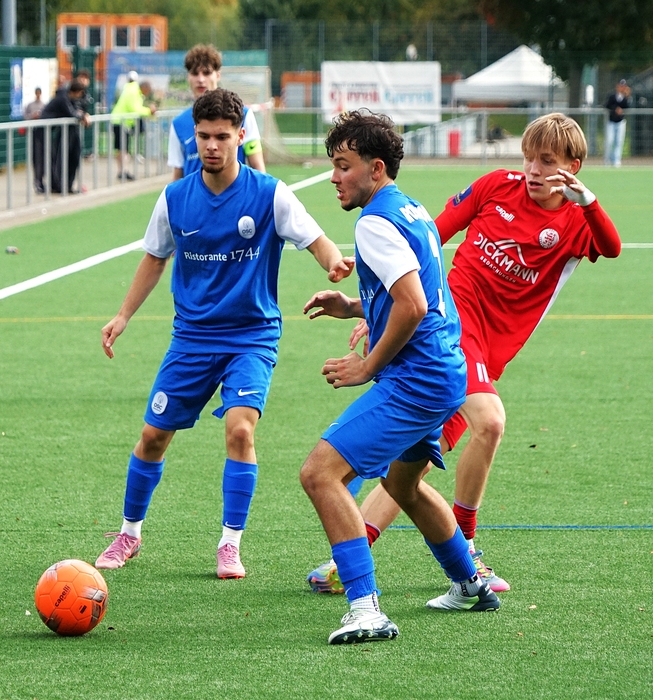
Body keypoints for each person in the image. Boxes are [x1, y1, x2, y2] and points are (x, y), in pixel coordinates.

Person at [306, 112, 622, 597]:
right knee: (489, 422)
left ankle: (351, 554)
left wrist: (590, 202)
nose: (533, 170)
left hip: (491, 350)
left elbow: (611, 247)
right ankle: (467, 549)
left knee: (411, 469)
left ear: (571, 168)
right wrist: (379, 302)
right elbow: (431, 239)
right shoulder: (497, 186)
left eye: (546, 161)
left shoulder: (576, 221)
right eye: (528, 158)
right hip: (455, 327)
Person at [94, 89, 352, 579]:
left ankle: (230, 544)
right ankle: (129, 533)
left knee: (240, 429)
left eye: (222, 136)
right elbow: (155, 257)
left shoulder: (269, 193)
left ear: (240, 136)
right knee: (152, 436)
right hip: (192, 337)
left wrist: (332, 262)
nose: (212, 145)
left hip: (252, 336)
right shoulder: (175, 198)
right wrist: (123, 315)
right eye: (203, 136)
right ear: (194, 137)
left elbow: (315, 238)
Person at [298, 110, 500, 645]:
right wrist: (351, 306)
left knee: (320, 474)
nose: (334, 177)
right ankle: (470, 584)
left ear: (376, 168)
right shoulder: (409, 207)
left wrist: (367, 366)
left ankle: (365, 609)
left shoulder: (373, 223)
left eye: (343, 165)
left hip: (417, 378)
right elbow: (417, 292)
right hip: (444, 371)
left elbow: (411, 305)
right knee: (402, 484)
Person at [168, 44, 265, 181]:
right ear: (188, 77)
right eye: (195, 73)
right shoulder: (178, 124)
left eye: (206, 73)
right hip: (196, 195)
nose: (201, 79)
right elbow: (178, 175)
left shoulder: (243, 115)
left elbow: (258, 166)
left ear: (217, 75)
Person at [33, 79, 90, 195]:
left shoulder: (67, 98)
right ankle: (40, 185)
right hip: (41, 130)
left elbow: (76, 110)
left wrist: (82, 114)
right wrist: (82, 116)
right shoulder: (63, 98)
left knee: (52, 158)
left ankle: (56, 185)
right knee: (41, 158)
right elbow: (71, 113)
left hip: (49, 130)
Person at [110, 71, 155, 180]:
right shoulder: (133, 91)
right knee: (123, 149)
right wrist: (149, 111)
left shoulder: (131, 90)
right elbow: (135, 109)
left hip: (121, 122)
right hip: (121, 122)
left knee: (122, 149)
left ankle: (122, 171)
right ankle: (122, 172)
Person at [604, 79, 630, 167]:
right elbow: (607, 105)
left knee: (619, 141)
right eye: (621, 86)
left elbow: (628, 107)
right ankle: (607, 159)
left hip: (620, 122)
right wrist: (615, 109)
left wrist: (627, 97)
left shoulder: (625, 98)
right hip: (611, 121)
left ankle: (616, 160)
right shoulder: (612, 96)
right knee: (609, 140)